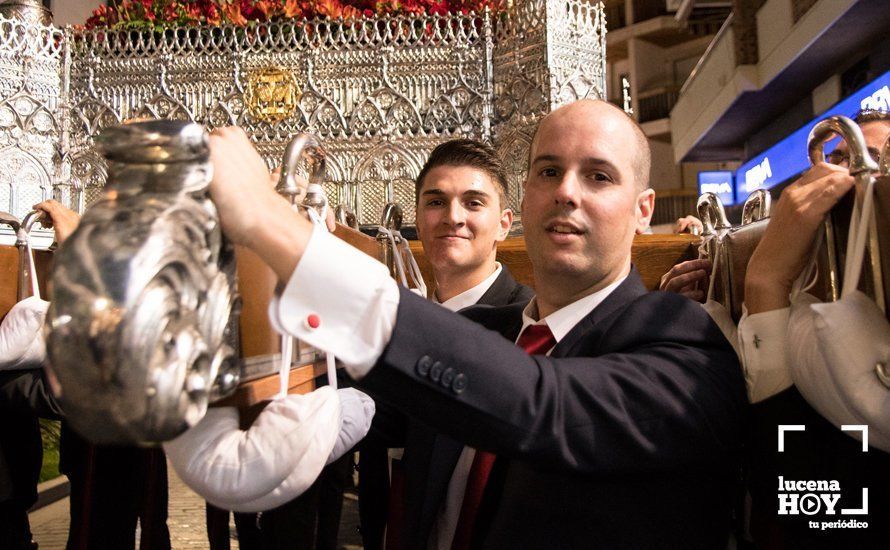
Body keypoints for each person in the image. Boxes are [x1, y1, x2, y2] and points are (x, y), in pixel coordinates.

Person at [207, 98, 748, 548]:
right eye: (549, 171)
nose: (566, 191)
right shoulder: (486, 330)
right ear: (529, 196)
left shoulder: (685, 344)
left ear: (643, 209)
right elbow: (361, 402)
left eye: (599, 176)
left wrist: (270, 224)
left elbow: (540, 403)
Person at [358, 139, 534, 549]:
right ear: (418, 222)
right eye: (436, 202)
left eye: (473, 203)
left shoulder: (529, 324)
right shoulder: (394, 320)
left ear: (504, 224)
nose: (452, 217)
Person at [738, 109, 890, 548]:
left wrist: (765, 282)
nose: (840, 176)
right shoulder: (808, 295)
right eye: (837, 159)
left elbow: (815, 512)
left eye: (865, 160)